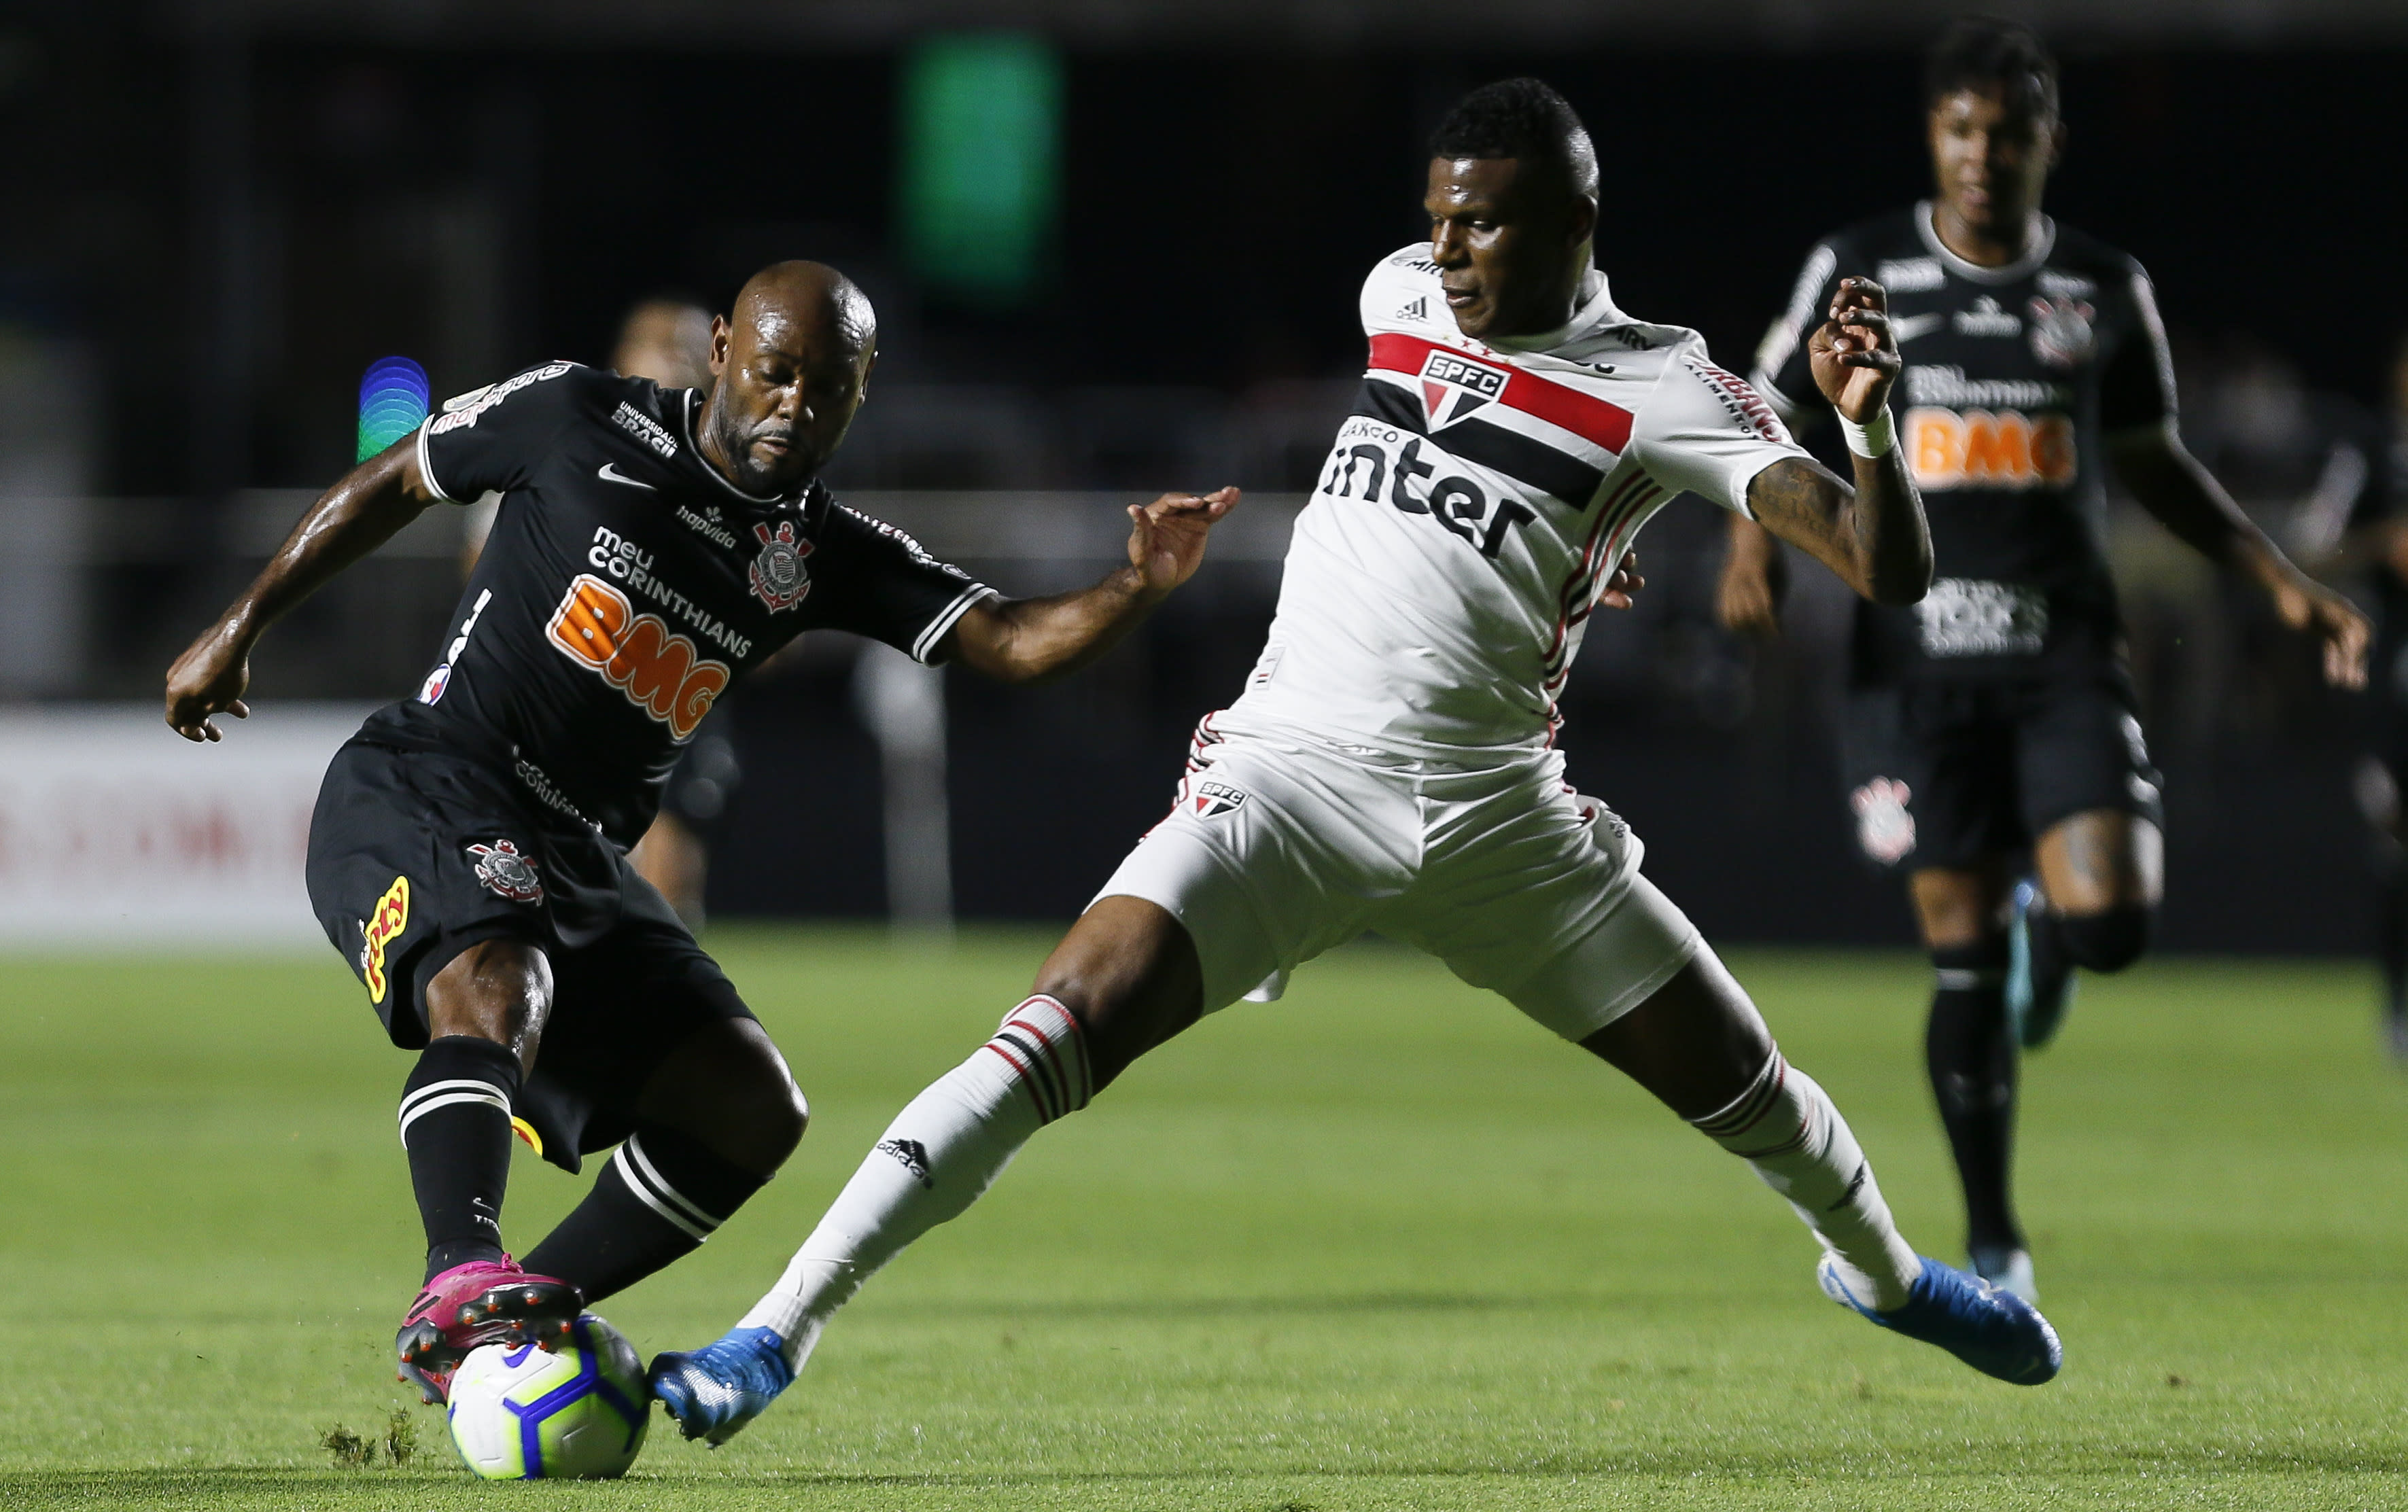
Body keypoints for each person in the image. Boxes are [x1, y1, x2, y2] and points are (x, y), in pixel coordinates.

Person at [648, 78, 2063, 1448]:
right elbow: (1466, 498)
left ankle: (1886, 1279)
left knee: (1747, 1089)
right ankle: (766, 1339)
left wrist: (1867, 425)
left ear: (1575, 225)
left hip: (1495, 814)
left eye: (1484, 226)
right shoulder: (1397, 294)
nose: (1446, 252)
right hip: (1285, 783)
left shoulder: (1663, 388)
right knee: (1048, 1030)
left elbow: (1885, 567)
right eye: (1436, 218)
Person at [162, 261, 1237, 1404]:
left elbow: (1011, 641)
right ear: (722, 347)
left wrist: (1135, 585)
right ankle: (458, 1266)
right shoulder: (578, 413)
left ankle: (499, 1325)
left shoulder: (819, 550)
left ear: (859, 396)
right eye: (776, 373)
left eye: (829, 390)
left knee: (751, 1103)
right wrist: (238, 626)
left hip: (574, 851)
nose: (794, 408)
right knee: (496, 974)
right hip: (432, 778)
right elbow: (398, 477)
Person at [1719, 18, 2369, 1301]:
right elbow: (1759, 410)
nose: (1983, 155)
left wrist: (2278, 582)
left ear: (2048, 144)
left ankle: (2055, 943)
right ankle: (1998, 1234)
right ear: (1935, 136)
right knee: (1955, 949)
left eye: (2009, 134)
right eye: (1962, 130)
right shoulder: (1860, 267)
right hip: (1911, 667)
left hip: (2064, 653)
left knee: (2117, 923)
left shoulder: (2103, 290)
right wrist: (1758, 546)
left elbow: (2152, 460)